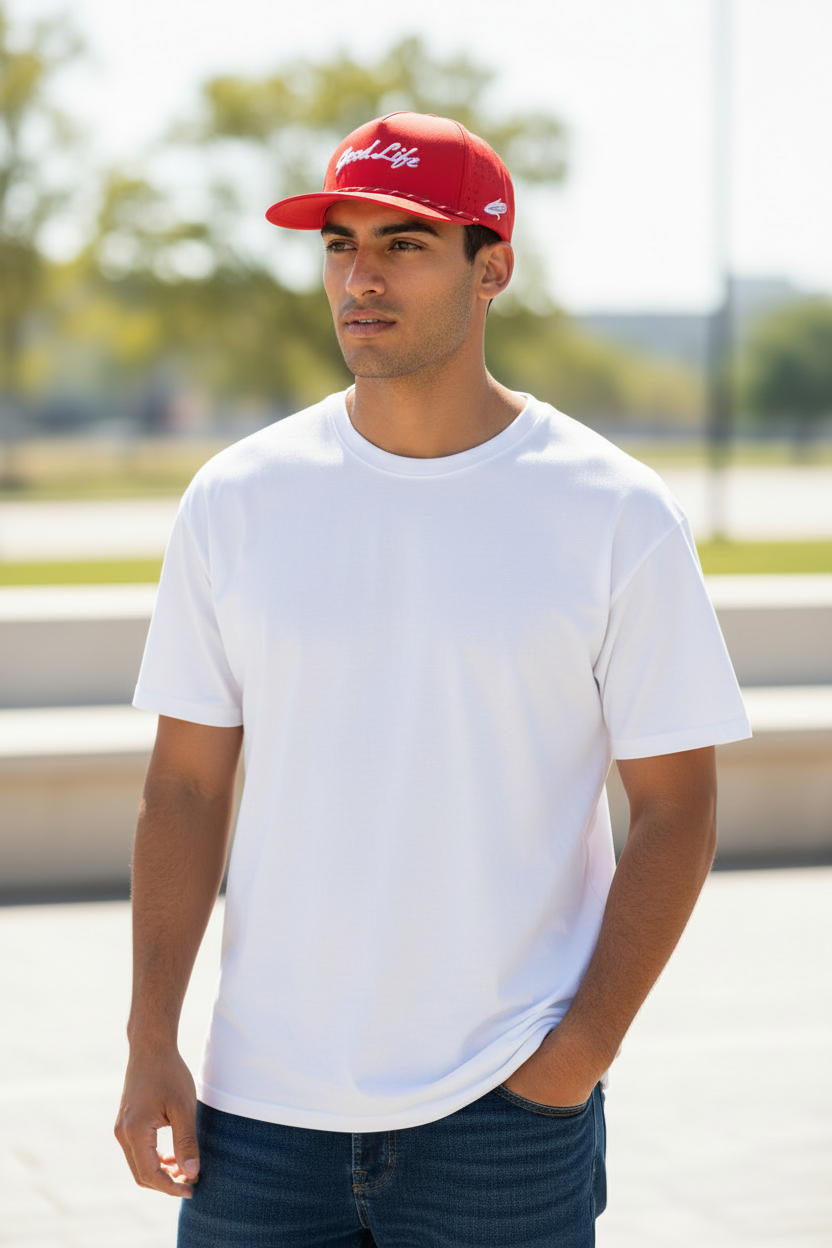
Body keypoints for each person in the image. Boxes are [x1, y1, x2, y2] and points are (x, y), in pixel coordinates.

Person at [115, 112, 751, 1247]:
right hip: (255, 1116)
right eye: (338, 243)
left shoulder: (611, 512)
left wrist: (578, 1058)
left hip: (502, 1115)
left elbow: (676, 808)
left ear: (490, 265)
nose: (360, 275)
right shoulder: (236, 499)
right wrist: (149, 1036)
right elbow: (185, 792)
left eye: (405, 242)